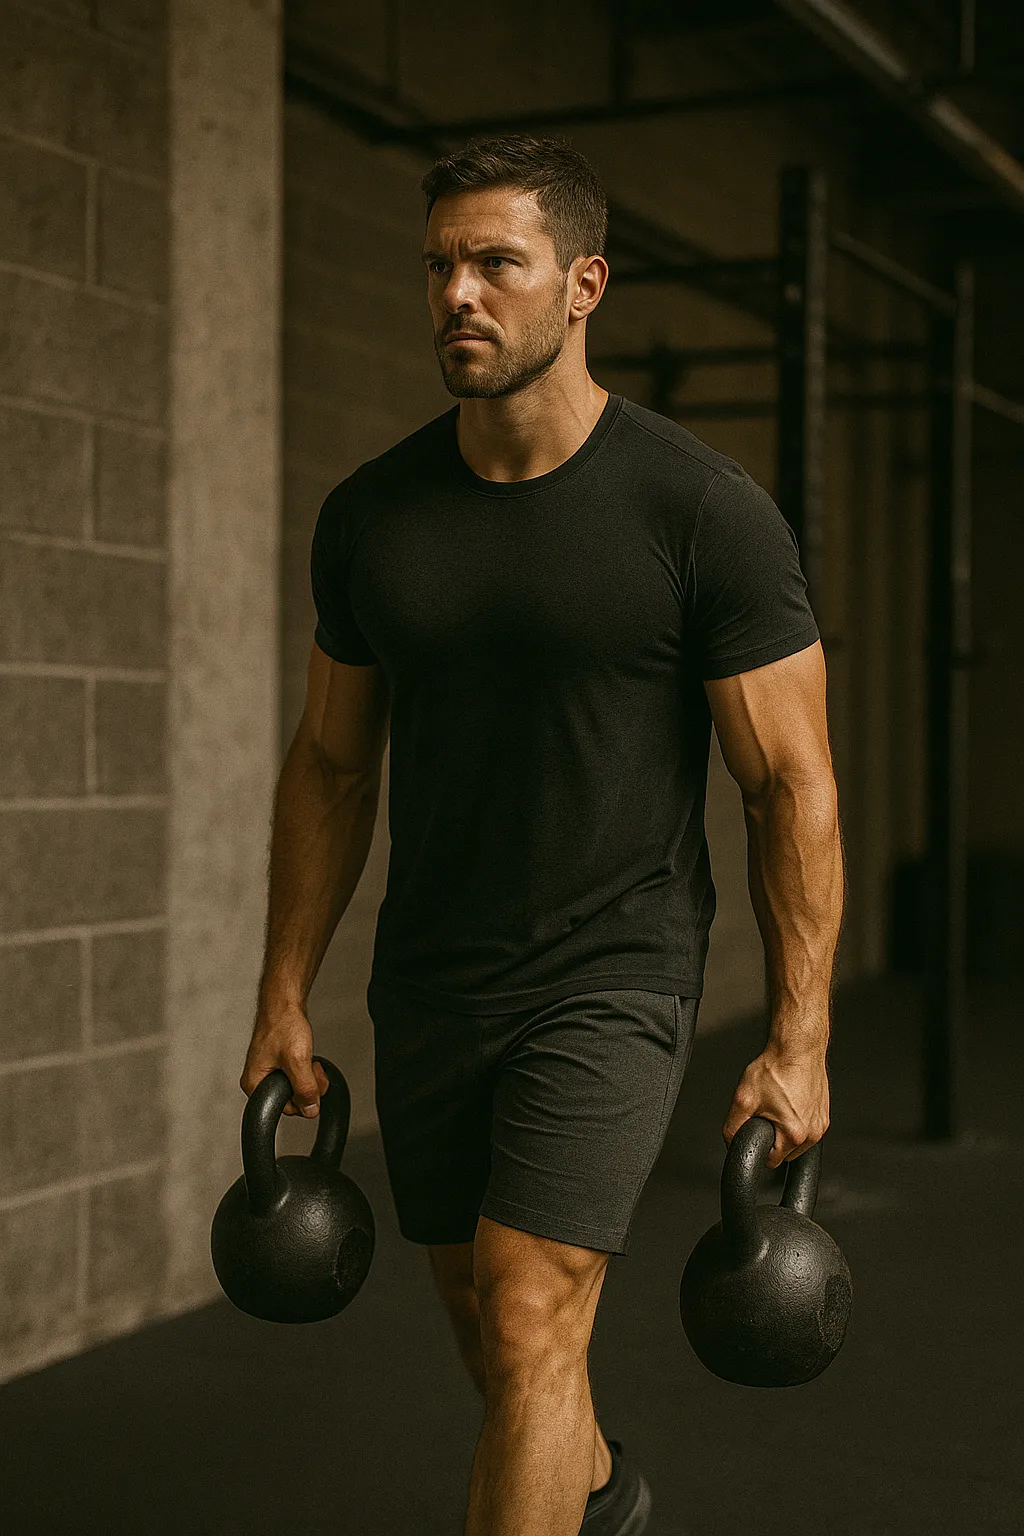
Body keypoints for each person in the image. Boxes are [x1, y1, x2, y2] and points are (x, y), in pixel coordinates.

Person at [240, 133, 844, 1536]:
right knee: (490, 1331)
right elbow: (331, 765)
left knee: (527, 1313)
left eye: (494, 264)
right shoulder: (374, 518)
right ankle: (606, 1505)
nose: (457, 292)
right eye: (440, 265)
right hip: (435, 979)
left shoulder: (700, 514)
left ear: (582, 286)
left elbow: (791, 784)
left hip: (615, 970)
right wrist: (281, 997)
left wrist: (800, 1036)